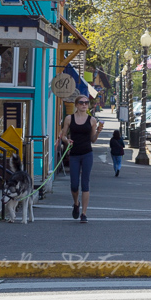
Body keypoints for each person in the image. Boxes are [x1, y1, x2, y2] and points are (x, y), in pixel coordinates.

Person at [60, 94, 104, 222]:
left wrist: (98, 131)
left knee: (85, 183)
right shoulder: (69, 118)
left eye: (86, 102)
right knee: (74, 185)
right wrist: (67, 141)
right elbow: (62, 135)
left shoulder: (92, 120)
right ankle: (76, 203)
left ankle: (84, 213)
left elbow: (93, 140)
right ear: (76, 105)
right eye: (81, 102)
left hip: (87, 154)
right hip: (74, 154)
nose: (84, 104)